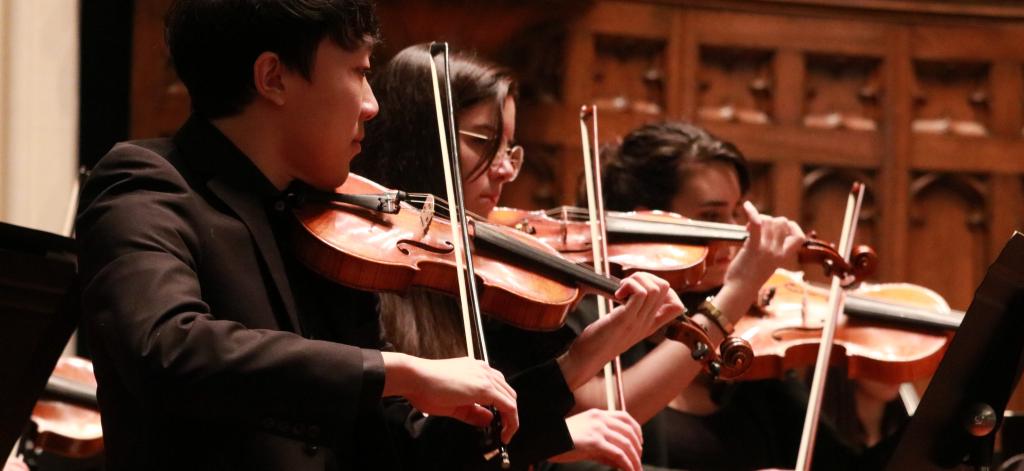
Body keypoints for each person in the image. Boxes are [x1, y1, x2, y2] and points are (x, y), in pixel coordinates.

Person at [77, 1, 533, 469]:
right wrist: (398, 371)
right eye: (358, 71)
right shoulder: (148, 183)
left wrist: (567, 372)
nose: (373, 105)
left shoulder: (327, 225)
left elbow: (400, 442)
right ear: (273, 77)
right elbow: (166, 349)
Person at [354, 45, 803, 469]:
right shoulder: (364, 271)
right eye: (485, 141)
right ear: (419, 141)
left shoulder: (486, 281)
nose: (506, 168)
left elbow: (490, 442)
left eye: (510, 149)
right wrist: (732, 297)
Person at [597, 121, 907, 470]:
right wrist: (738, 289)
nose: (735, 236)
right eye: (711, 216)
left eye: (735, 213)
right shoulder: (599, 331)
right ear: (649, 221)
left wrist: (947, 419)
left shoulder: (748, 346)